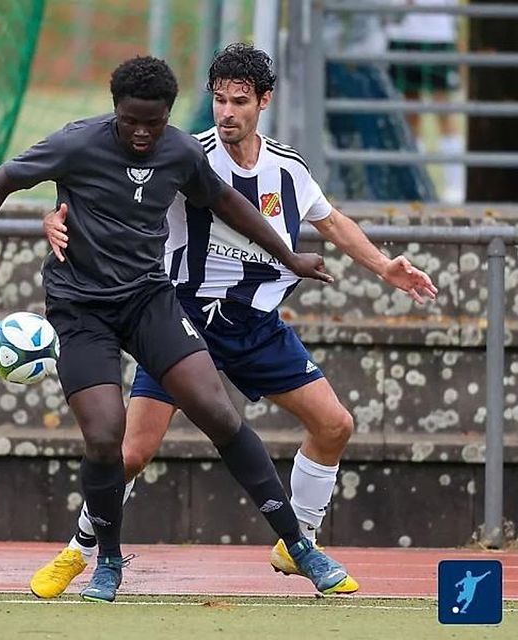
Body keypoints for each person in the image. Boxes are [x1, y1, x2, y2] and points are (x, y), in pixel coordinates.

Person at [0, 54, 354, 602]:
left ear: (170, 114)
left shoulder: (180, 150)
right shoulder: (77, 143)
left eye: (154, 121)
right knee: (106, 437)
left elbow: (227, 203)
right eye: (131, 121)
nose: (143, 133)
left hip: (149, 301)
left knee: (218, 411)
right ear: (115, 111)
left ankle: (300, 547)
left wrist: (290, 259)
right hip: (81, 311)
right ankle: (106, 561)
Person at [31, 43, 437, 599]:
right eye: (219, 99)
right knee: (130, 452)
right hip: (181, 318)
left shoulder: (287, 169)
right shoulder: (182, 153)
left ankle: (299, 542)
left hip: (256, 326)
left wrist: (384, 266)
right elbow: (107, 192)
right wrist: (53, 216)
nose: (226, 112)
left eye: (239, 101)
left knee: (335, 425)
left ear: (263, 101)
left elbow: (332, 222)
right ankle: (81, 552)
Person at [386, 0, 464, 203]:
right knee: (411, 114)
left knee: (444, 111)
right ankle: (417, 185)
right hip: (403, 33)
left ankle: (455, 187)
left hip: (438, 34)